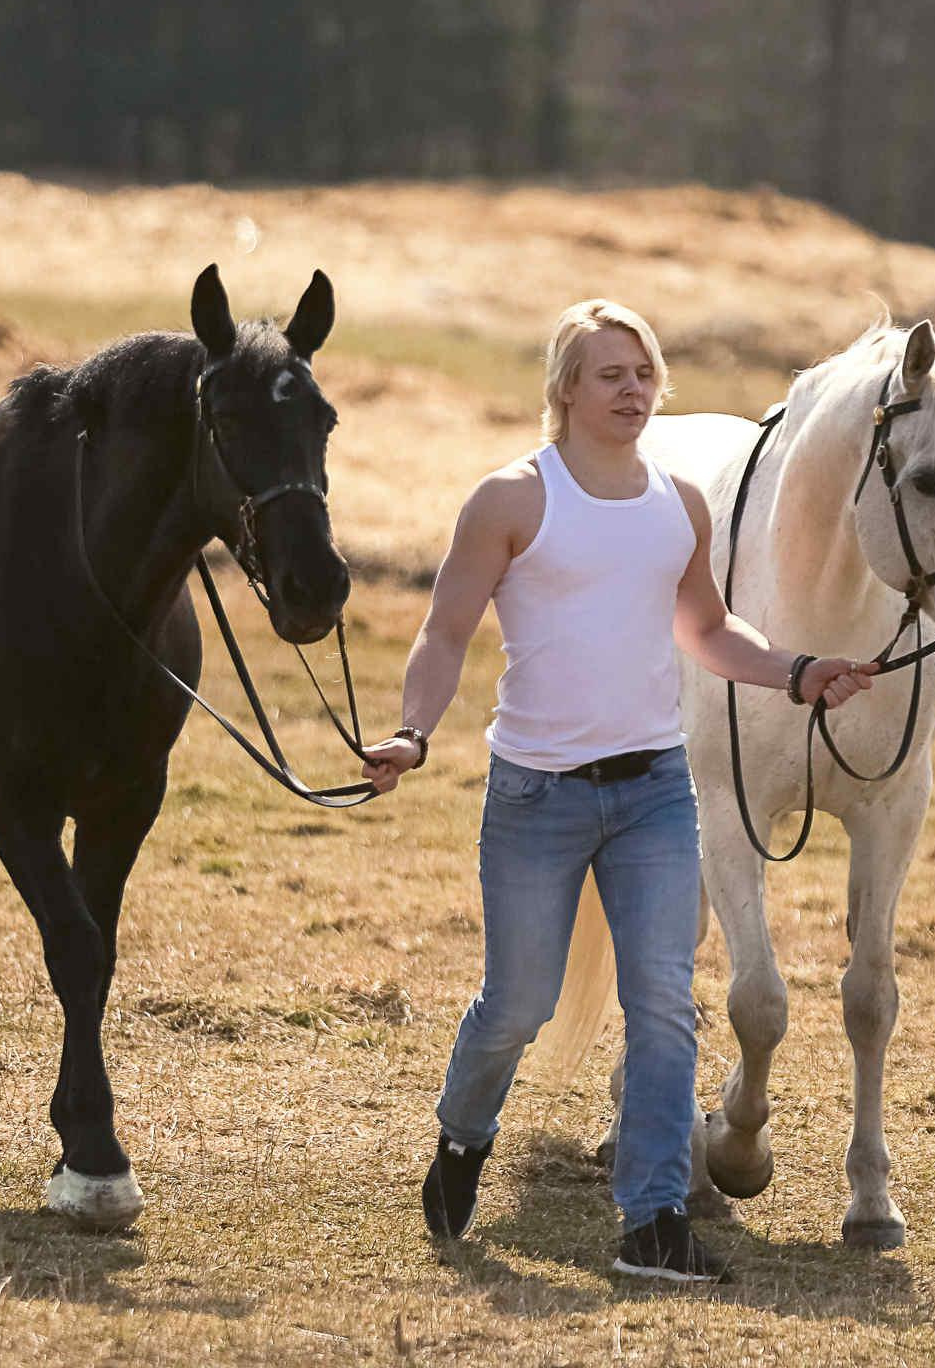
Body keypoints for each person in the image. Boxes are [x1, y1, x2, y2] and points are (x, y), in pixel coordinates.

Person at [361, 300, 876, 1283]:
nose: (634, 390)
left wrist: (799, 671)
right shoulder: (511, 500)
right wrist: (414, 734)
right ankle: (464, 1134)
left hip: (654, 795)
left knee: (664, 1006)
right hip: (536, 795)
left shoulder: (678, 506)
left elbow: (708, 632)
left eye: (644, 374)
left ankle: (652, 1221)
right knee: (518, 1004)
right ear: (566, 389)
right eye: (611, 375)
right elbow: (445, 632)